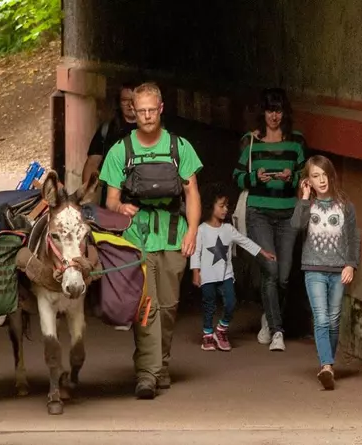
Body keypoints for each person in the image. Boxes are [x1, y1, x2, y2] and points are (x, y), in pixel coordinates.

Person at [99, 82, 202, 399]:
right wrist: (119, 206)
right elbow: (110, 200)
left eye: (150, 110)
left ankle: (162, 366)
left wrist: (193, 231)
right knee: (147, 307)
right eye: (139, 110)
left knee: (169, 308)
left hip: (172, 236)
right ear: (133, 110)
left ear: (160, 109)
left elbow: (192, 193)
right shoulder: (121, 150)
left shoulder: (178, 147)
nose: (145, 115)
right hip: (136, 238)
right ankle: (146, 374)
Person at [233, 88, 306, 352]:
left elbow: (305, 176)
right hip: (259, 212)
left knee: (284, 276)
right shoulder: (250, 141)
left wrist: (292, 178)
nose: (274, 116)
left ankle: (269, 317)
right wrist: (256, 178)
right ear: (262, 113)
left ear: (284, 113)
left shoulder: (296, 141)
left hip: (287, 212)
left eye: (278, 110)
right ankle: (277, 331)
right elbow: (237, 176)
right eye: (269, 110)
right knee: (271, 270)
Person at [291, 155, 360, 390]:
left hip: (338, 269)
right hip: (313, 269)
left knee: (333, 318)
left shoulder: (345, 205)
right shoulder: (307, 205)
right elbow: (296, 226)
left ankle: (327, 365)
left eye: (324, 175)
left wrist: (351, 264)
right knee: (321, 317)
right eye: (315, 176)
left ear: (331, 175)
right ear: (307, 180)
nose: (321, 180)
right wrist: (304, 197)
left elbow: (353, 238)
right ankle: (327, 366)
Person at [191, 185, 275, 351]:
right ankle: (207, 335)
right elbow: (196, 252)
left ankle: (221, 330)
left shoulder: (228, 229)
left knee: (231, 302)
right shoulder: (201, 230)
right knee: (209, 304)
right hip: (207, 275)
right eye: (221, 206)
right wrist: (196, 272)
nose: (225, 209)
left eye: (226, 206)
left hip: (226, 275)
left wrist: (262, 252)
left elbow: (245, 241)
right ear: (211, 207)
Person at [82, 82, 139, 206]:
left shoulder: (152, 130)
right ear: (119, 102)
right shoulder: (107, 130)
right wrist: (87, 194)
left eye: (133, 100)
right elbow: (92, 162)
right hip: (112, 199)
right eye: (125, 100)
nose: (130, 104)